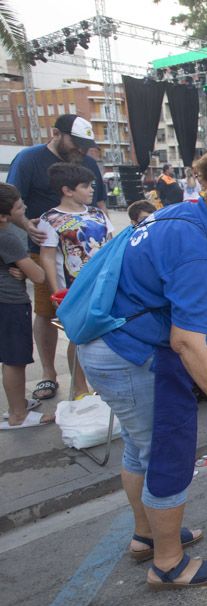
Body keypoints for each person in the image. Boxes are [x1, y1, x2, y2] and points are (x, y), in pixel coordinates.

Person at [74, 160, 207, 589]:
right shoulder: (195, 251)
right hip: (128, 352)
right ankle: (168, 563)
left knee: (138, 447)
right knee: (167, 453)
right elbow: (187, 343)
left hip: (105, 344)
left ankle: (147, 536)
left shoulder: (181, 213)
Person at [5, 114, 106, 402]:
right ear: (57, 134)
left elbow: (99, 202)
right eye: (77, 143)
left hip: (86, 256)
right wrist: (28, 228)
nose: (82, 150)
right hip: (43, 251)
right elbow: (12, 202)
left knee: (89, 321)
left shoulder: (85, 163)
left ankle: (90, 379)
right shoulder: (29, 160)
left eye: (86, 145)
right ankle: (49, 374)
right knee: (48, 313)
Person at [39, 163, 115, 400]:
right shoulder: (50, 219)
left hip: (105, 285)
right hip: (74, 289)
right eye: (85, 186)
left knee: (106, 336)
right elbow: (48, 257)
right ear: (67, 190)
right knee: (78, 338)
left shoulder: (98, 214)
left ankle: (105, 387)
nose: (91, 190)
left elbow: (112, 246)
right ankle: (79, 388)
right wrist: (57, 292)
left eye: (92, 185)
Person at [0, 184, 53, 430]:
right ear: (4, 216)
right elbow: (40, 276)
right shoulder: (8, 236)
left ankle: (17, 403)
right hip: (10, 303)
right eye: (19, 207)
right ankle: (17, 415)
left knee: (11, 357)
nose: (25, 208)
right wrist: (28, 269)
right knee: (15, 359)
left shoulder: (8, 232)